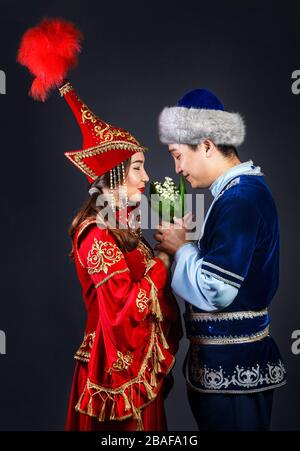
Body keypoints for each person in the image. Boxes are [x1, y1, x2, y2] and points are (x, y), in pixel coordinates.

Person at [17, 18, 182, 431]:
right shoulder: (95, 233)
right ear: (112, 176)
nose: (146, 178)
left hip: (131, 369)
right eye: (138, 169)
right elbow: (125, 314)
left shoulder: (123, 225)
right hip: (113, 373)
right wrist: (164, 256)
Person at [154, 88, 287, 431]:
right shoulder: (234, 194)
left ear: (208, 145)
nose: (177, 168)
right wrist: (190, 244)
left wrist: (181, 248)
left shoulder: (240, 198)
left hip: (233, 376)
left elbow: (217, 290)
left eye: (178, 155)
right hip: (224, 373)